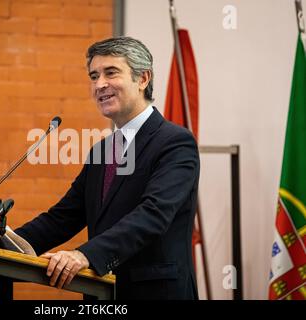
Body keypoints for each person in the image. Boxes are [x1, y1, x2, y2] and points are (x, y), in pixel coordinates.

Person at [14, 36, 200, 300]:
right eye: (93, 76)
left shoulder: (175, 142)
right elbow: (64, 217)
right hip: (103, 295)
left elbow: (153, 215)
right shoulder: (103, 150)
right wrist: (6, 243)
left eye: (110, 73)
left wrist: (85, 255)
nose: (99, 84)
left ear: (143, 78)